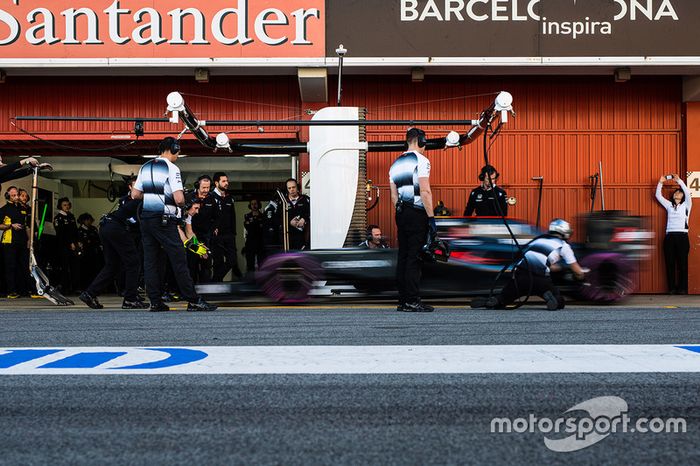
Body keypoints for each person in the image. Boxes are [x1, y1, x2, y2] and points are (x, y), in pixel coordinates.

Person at [130, 137, 216, 312]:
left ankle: (155, 302)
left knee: (151, 261)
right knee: (179, 259)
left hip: (146, 219)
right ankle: (193, 300)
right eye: (178, 150)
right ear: (174, 148)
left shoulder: (145, 166)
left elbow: (135, 195)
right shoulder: (172, 168)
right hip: (165, 220)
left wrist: (153, 194)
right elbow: (178, 199)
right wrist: (183, 202)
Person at [471, 219, 586, 311]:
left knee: (504, 298)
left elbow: (530, 257)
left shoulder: (537, 239)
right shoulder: (564, 245)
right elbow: (576, 270)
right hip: (539, 278)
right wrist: (581, 277)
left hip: (520, 274)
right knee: (558, 301)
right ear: (564, 232)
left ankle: (495, 301)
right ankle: (549, 296)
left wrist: (558, 268)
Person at [389, 127, 435, 313]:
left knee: (404, 256)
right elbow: (424, 191)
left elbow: (393, 196)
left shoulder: (395, 163)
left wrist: (401, 212)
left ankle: (403, 300)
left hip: (401, 213)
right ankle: (413, 301)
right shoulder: (422, 161)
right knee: (414, 258)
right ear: (420, 141)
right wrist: (431, 218)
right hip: (417, 212)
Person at [78, 192, 148, 310]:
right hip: (117, 228)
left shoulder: (130, 201)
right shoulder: (144, 204)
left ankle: (90, 293)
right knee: (134, 263)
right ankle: (130, 299)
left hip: (106, 225)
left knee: (112, 265)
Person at [656, 173, 692, 294]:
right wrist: (661, 182)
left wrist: (679, 181)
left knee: (682, 264)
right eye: (676, 192)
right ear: (673, 196)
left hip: (682, 236)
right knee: (670, 263)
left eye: (679, 192)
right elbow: (658, 196)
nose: (678, 193)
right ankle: (671, 288)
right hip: (670, 236)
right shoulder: (669, 205)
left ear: (682, 196)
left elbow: (687, 193)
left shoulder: (687, 205)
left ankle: (682, 289)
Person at [185, 175, 217, 283]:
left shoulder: (211, 199)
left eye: (208, 188)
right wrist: (195, 246)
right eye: (203, 188)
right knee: (190, 263)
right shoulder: (187, 201)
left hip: (202, 235)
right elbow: (186, 235)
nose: (206, 190)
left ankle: (204, 289)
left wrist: (199, 247)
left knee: (206, 261)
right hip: (182, 236)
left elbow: (189, 233)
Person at [211, 172, 243, 281]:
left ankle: (215, 280)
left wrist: (233, 232)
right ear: (216, 183)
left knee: (232, 260)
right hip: (216, 236)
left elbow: (232, 216)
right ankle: (216, 285)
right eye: (223, 181)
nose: (226, 183)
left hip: (229, 234)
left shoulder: (230, 198)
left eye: (227, 181)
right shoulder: (210, 197)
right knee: (218, 262)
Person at [0, 186, 30, 298]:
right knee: (10, 266)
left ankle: (25, 290)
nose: (16, 197)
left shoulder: (22, 209)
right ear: (8, 196)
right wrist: (10, 225)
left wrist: (29, 240)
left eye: (17, 194)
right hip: (9, 241)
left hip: (22, 241)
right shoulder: (4, 209)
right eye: (13, 195)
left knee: (24, 265)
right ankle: (11, 291)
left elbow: (27, 226)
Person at [53, 197, 81, 294]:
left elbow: (75, 230)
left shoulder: (71, 216)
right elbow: (61, 234)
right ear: (60, 206)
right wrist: (70, 243)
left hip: (74, 245)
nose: (67, 207)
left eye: (68, 205)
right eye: (64, 205)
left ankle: (75, 287)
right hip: (63, 246)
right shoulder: (58, 218)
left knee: (75, 267)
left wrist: (78, 241)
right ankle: (64, 288)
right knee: (64, 267)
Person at [77, 213, 103, 290]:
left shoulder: (93, 229)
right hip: (84, 254)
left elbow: (98, 240)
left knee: (95, 271)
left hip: (94, 253)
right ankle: (83, 287)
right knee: (84, 271)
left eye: (90, 220)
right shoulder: (80, 231)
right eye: (87, 220)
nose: (89, 222)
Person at [285, 178, 311, 250]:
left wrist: (304, 219)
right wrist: (289, 222)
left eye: (293, 187)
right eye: (289, 188)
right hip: (288, 239)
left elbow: (313, 213)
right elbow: (277, 218)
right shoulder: (283, 202)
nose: (292, 190)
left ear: (297, 187)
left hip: (304, 237)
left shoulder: (306, 199)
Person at [243, 199, 265, 272]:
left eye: (255, 204)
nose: (254, 205)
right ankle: (250, 281)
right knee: (250, 264)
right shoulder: (247, 216)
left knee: (261, 263)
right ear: (250, 205)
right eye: (252, 204)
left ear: (258, 205)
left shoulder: (263, 216)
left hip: (260, 241)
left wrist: (253, 224)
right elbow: (248, 227)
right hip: (250, 242)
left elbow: (262, 228)